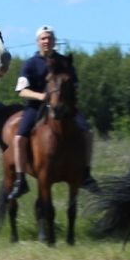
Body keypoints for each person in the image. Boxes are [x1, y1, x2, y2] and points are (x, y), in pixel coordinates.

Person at [6, 26, 95, 199]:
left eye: (49, 38)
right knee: (19, 138)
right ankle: (20, 180)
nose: (46, 41)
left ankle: (86, 174)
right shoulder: (30, 63)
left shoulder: (64, 61)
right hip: (36, 106)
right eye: (43, 38)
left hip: (63, 107)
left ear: (54, 41)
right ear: (38, 42)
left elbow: (75, 85)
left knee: (88, 133)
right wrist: (42, 96)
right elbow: (22, 91)